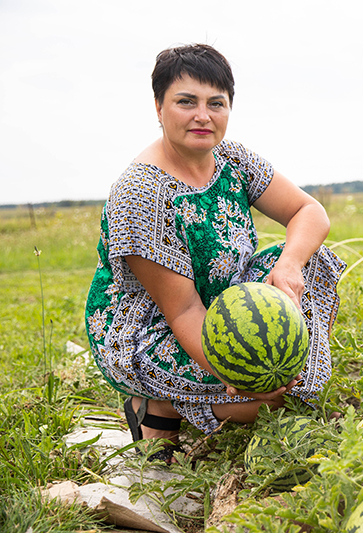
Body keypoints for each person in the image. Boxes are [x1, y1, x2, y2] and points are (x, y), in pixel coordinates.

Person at [84, 43, 345, 460]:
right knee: (271, 399)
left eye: (215, 103)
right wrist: (243, 375)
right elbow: (184, 311)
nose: (203, 116)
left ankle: (249, 388)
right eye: (186, 102)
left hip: (227, 299)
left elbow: (308, 211)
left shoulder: (229, 156)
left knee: (314, 261)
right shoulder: (141, 194)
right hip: (149, 331)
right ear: (158, 107)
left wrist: (290, 265)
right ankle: (156, 405)